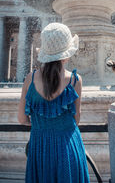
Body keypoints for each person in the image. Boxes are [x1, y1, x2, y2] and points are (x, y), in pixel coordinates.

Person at [18, 22, 90, 183]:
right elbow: (76, 119)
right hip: (67, 145)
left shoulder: (30, 78)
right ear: (67, 53)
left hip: (40, 146)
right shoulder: (75, 80)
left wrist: (41, 123)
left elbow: (22, 119)